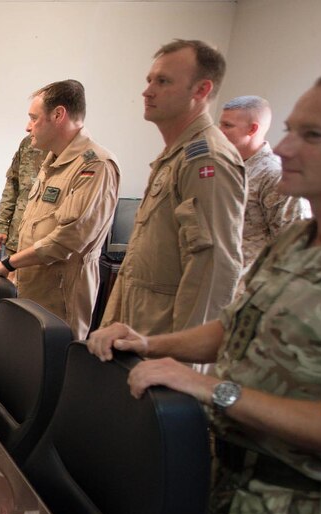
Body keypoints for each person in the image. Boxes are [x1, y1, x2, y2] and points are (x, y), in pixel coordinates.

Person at [87, 74, 321, 514]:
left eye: (313, 135)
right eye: (288, 131)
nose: (283, 149)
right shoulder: (299, 243)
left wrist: (215, 389)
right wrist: (152, 342)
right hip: (218, 476)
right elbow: (234, 327)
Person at [100, 39, 245, 336]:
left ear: (201, 90)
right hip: (138, 330)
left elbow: (214, 268)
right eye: (150, 80)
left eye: (163, 81)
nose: (147, 90)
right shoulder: (177, 154)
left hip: (163, 342)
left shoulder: (208, 159)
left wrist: (182, 354)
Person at [0, 80, 120, 339]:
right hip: (31, 287)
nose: (27, 126)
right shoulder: (52, 160)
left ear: (58, 115)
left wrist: (8, 263)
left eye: (34, 118)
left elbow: (67, 241)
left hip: (60, 298)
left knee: (50, 370)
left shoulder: (95, 166)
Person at [218, 95, 310, 290]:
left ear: (252, 129)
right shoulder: (227, 167)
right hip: (220, 280)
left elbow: (294, 242)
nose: (220, 131)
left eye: (228, 126)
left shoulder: (276, 174)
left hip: (248, 289)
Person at [0, 134, 45, 256]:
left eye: (34, 119)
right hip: (17, 239)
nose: (28, 126)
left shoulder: (73, 150)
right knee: (10, 275)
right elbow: (12, 186)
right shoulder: (28, 143)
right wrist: (1, 226)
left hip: (47, 247)